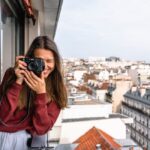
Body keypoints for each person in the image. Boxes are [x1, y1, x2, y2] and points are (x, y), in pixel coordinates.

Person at [0, 36, 68, 150]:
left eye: (49, 61)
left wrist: (41, 94)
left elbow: (43, 129)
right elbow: (2, 116)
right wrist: (18, 81)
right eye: (40, 61)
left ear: (56, 62)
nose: (45, 66)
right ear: (29, 59)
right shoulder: (12, 74)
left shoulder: (57, 88)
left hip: (28, 141)